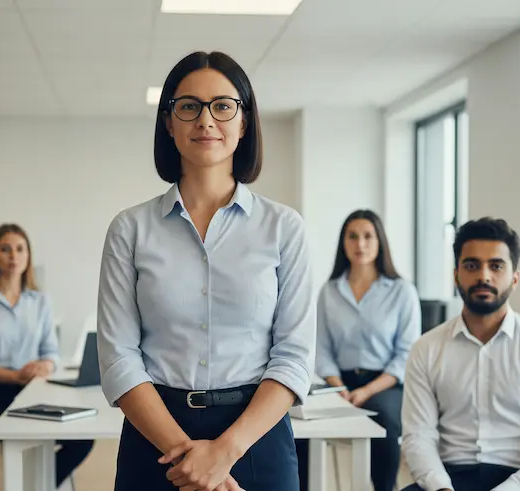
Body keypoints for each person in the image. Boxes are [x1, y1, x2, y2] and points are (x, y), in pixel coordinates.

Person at [96, 51, 315, 491]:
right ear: (169, 122)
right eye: (189, 106)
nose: (206, 120)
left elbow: (293, 358)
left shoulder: (284, 227)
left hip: (255, 436)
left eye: (222, 105)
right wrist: (188, 458)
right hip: (155, 436)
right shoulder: (130, 229)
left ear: (244, 121)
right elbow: (119, 358)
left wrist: (222, 454)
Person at [401, 217, 520, 491]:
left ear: (514, 277)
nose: (484, 276)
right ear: (456, 274)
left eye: (496, 266)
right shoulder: (426, 349)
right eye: (472, 265)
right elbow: (418, 437)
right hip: (449, 479)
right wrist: (441, 488)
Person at [0, 223, 93, 490]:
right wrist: (15, 375)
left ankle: (38, 486)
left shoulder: (40, 301)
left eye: (20, 249)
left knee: (83, 439)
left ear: (28, 256)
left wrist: (44, 364)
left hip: (32, 393)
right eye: (5, 249)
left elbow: (52, 353)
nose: (13, 256)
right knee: (19, 435)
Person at [296, 209, 421, 491]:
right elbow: (321, 349)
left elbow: (406, 354)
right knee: (298, 422)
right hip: (337, 383)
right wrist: (339, 387)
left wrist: (365, 392)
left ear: (380, 242)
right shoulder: (330, 291)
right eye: (352, 236)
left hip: (386, 384)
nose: (360, 244)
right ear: (343, 243)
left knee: (385, 420)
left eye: (367, 236)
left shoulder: (402, 291)